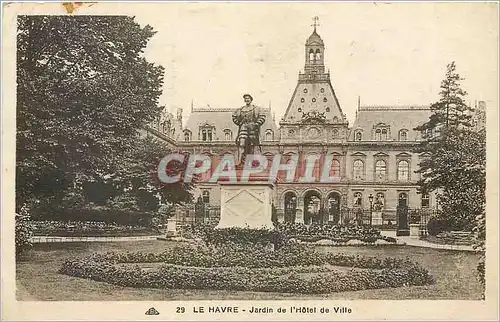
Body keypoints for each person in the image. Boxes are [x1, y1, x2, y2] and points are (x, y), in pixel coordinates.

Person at [232, 94, 266, 165]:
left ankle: (251, 162)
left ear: (251, 100)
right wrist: (239, 123)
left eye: (248, 98)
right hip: (243, 127)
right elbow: (234, 117)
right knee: (242, 144)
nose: (247, 100)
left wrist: (256, 124)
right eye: (245, 98)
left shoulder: (256, 108)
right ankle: (240, 161)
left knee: (252, 145)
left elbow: (262, 117)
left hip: (252, 128)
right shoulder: (240, 109)